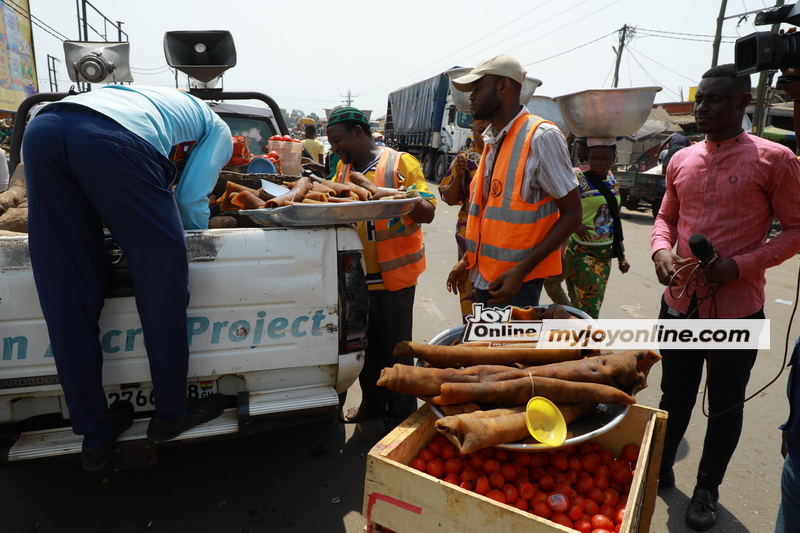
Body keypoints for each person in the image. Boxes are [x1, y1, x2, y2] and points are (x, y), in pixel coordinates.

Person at [22, 85, 232, 472]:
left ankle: (94, 433)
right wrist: (183, 235)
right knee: (161, 279)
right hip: (110, 140)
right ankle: (170, 413)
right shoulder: (215, 125)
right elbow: (188, 199)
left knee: (65, 287)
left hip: (43, 130)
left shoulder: (138, 95)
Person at [650, 64, 800, 531]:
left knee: (726, 403)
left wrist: (740, 265)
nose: (700, 107)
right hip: (680, 302)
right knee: (672, 394)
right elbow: (665, 219)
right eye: (699, 99)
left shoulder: (775, 159)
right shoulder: (682, 158)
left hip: (738, 307)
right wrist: (659, 251)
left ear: (742, 102)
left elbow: (796, 230)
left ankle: (706, 489)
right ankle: (661, 466)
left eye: (713, 99)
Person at [325, 106, 436, 430]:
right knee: (365, 349)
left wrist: (399, 196)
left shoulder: (400, 163)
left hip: (394, 277)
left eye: (338, 140)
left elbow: (427, 211)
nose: (335, 148)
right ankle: (372, 406)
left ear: (358, 133)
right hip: (356, 278)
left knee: (397, 350)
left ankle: (402, 416)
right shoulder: (343, 172)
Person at [445, 54, 581, 308]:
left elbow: (573, 214)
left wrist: (521, 271)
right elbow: (492, 213)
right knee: (487, 347)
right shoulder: (493, 140)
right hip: (484, 276)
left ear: (504, 86)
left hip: (518, 284)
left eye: (478, 88)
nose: (471, 96)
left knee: (509, 347)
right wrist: (468, 260)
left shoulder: (541, 136)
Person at [563, 140, 629, 319]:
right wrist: (574, 224)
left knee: (592, 301)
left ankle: (574, 340)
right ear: (588, 159)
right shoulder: (577, 179)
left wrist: (621, 255)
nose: (599, 162)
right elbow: (557, 204)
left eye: (605, 158)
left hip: (605, 253)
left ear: (613, 159)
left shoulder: (612, 181)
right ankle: (584, 340)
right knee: (589, 304)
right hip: (582, 251)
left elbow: (615, 218)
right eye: (594, 158)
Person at [438, 118, 489, 321]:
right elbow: (450, 199)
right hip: (469, 235)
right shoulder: (465, 159)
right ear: (472, 132)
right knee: (471, 293)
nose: (485, 134)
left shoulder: (508, 157)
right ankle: (472, 341)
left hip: (501, 234)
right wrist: (458, 175)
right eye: (480, 130)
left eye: (490, 130)